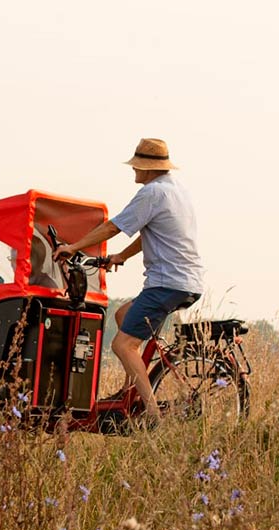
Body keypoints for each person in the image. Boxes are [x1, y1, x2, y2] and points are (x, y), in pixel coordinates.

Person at [53, 137, 203, 424]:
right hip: (186, 281)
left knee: (123, 346)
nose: (134, 170)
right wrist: (121, 256)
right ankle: (129, 391)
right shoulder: (176, 191)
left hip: (167, 283)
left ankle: (151, 415)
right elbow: (152, 232)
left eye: (137, 166)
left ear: (148, 168)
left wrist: (74, 247)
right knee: (123, 315)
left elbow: (113, 226)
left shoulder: (152, 193)